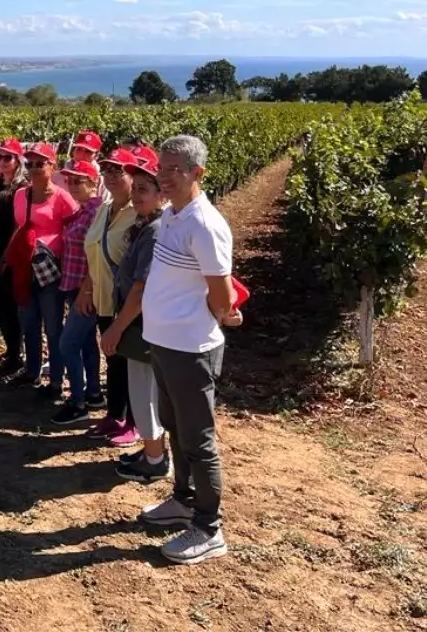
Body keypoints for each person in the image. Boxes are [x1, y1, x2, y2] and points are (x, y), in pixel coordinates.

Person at [137, 135, 242, 566]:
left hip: (191, 349)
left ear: (197, 173)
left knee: (198, 440)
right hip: (164, 343)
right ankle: (182, 500)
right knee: (175, 428)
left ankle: (208, 527)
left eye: (173, 169)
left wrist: (227, 313)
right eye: (161, 167)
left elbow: (222, 294)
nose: (163, 176)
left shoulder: (204, 224)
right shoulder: (174, 216)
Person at [100, 144, 170, 483]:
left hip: (143, 326)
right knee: (144, 393)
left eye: (144, 190)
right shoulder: (145, 225)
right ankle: (151, 451)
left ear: (161, 194)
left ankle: (154, 460)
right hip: (140, 324)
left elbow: (141, 289)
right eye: (136, 188)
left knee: (145, 396)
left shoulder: (154, 232)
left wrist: (116, 328)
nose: (137, 196)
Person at [5, 143, 79, 397]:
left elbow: (75, 233)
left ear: (53, 166)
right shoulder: (20, 196)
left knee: (53, 326)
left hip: (50, 273)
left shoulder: (62, 198)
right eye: (30, 164)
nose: (34, 168)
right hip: (26, 270)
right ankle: (32, 371)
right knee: (29, 323)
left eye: (40, 163)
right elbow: (18, 228)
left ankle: (57, 380)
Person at [84, 146, 141, 446]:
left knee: (130, 362)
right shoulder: (105, 210)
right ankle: (114, 415)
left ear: (133, 176)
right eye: (107, 171)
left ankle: (135, 422)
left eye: (119, 171)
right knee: (114, 361)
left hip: (126, 303)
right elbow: (93, 251)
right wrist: (88, 289)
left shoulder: (138, 214)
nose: (111, 176)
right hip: (103, 300)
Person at [52, 159, 105, 424]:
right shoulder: (85, 211)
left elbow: (98, 256)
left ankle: (78, 402)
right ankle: (94, 392)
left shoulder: (97, 213)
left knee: (67, 344)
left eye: (79, 180)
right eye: (70, 180)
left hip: (86, 291)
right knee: (85, 343)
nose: (72, 185)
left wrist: (87, 291)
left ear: (94, 182)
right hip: (74, 287)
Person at [0, 138, 26, 379]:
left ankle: (17, 357)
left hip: (11, 255)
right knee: (1, 307)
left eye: (7, 157)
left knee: (13, 308)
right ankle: (12, 355)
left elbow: (18, 226)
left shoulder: (21, 188)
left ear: (17, 161)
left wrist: (4, 258)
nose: (2, 161)